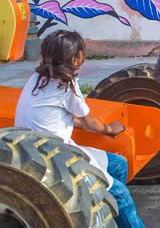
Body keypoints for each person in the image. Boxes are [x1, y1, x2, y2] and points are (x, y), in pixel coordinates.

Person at [14, 30, 144, 227]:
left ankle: (102, 208)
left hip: (39, 149)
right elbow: (86, 122)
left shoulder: (38, 78)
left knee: (119, 164)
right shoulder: (66, 87)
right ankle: (105, 207)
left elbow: (54, 118)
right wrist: (110, 129)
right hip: (56, 158)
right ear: (75, 58)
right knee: (121, 195)